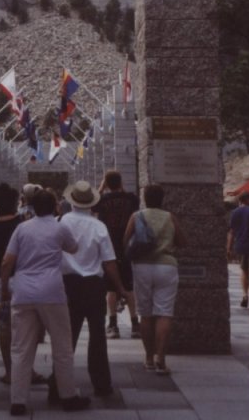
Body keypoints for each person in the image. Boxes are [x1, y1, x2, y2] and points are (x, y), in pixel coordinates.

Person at [1, 188, 90, 415]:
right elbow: (73, 247)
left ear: (32, 207)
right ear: (55, 207)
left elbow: (6, 262)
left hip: (23, 291)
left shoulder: (22, 228)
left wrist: (4, 290)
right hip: (52, 291)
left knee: (21, 348)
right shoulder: (60, 228)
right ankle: (67, 395)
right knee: (62, 345)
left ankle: (18, 401)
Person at [59, 180, 126, 397]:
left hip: (68, 284)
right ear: (91, 203)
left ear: (72, 201)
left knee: (67, 337)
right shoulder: (99, 226)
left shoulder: (63, 221)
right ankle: (101, 383)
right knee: (97, 336)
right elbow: (109, 262)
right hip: (94, 285)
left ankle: (58, 383)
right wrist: (120, 288)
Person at [0, 182, 47, 386]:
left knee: (4, 327)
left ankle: (11, 371)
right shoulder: (21, 224)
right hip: (18, 278)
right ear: (14, 202)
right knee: (27, 326)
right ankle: (27, 370)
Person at [123, 183, 186, 375]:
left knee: (146, 314)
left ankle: (149, 358)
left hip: (142, 266)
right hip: (166, 266)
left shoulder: (136, 216)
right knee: (164, 312)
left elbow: (125, 241)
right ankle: (161, 359)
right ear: (162, 198)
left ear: (145, 198)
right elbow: (183, 242)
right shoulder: (170, 217)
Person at [94, 170, 141, 339]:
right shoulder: (131, 199)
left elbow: (92, 203)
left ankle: (113, 324)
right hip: (127, 246)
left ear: (106, 184)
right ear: (121, 183)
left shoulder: (103, 200)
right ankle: (135, 323)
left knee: (111, 288)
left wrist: (101, 188)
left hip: (108, 247)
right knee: (128, 286)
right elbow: (135, 206)